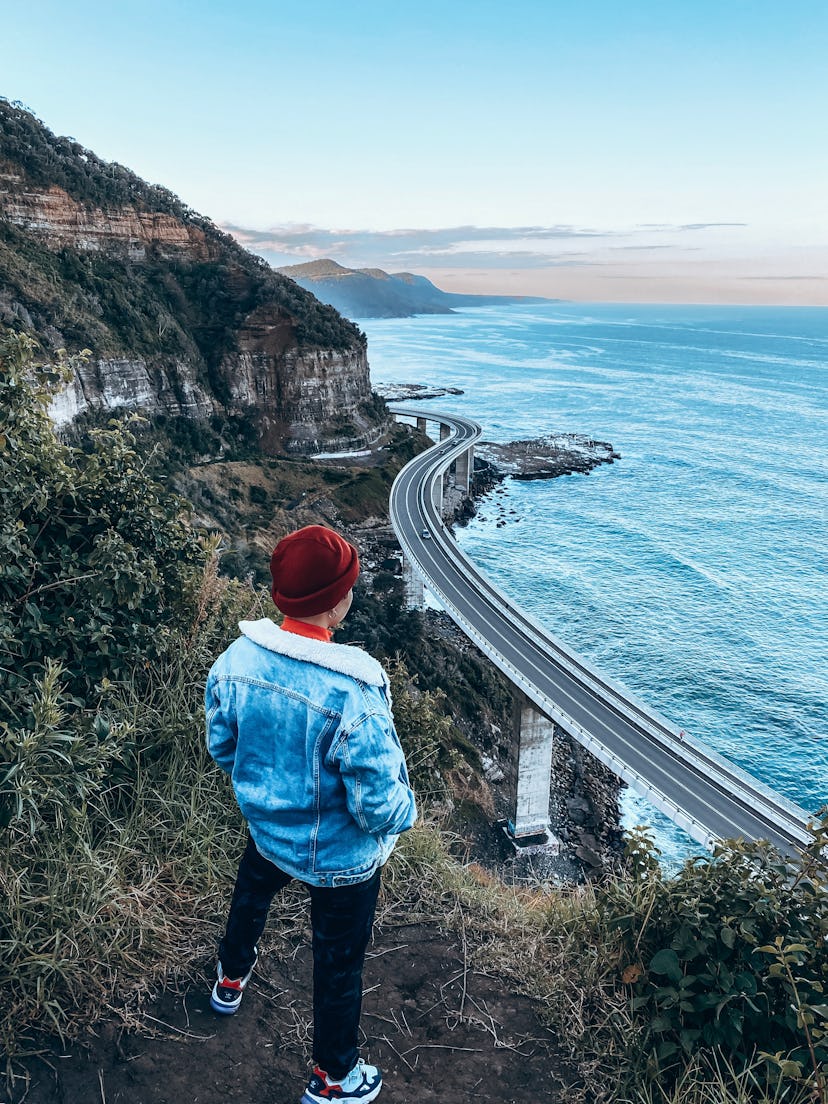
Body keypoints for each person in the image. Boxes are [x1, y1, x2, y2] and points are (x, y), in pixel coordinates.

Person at [205, 525, 417, 1104]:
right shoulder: (353, 690)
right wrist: (408, 813)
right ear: (337, 601)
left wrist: (263, 789)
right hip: (340, 857)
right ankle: (331, 1077)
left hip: (269, 830)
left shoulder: (236, 659)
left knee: (250, 894)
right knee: (338, 963)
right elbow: (379, 806)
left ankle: (228, 979)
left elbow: (222, 746)